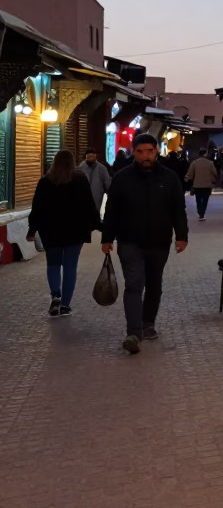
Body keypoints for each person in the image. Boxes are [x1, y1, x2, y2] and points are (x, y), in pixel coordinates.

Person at [101, 133, 188, 355]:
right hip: (129, 241)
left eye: (149, 151)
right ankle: (134, 332)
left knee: (154, 284)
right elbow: (112, 210)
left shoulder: (170, 178)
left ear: (157, 150)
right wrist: (107, 237)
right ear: (134, 152)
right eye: (140, 152)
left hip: (159, 242)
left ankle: (148, 322)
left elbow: (178, 209)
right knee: (133, 284)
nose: (145, 156)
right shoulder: (122, 177)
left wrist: (182, 235)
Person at [27, 150, 100, 317]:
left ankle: (55, 295)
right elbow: (90, 205)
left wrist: (32, 229)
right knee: (70, 266)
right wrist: (99, 225)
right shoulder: (80, 179)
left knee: (53, 264)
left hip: (51, 231)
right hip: (75, 231)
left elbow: (37, 208)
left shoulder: (45, 181)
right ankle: (66, 305)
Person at [185, 148, 220, 221]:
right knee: (205, 200)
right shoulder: (210, 163)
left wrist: (189, 180)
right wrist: (213, 180)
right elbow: (215, 173)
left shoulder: (194, 163)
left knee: (198, 199)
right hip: (207, 185)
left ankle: (199, 211)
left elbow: (190, 174)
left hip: (197, 185)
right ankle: (202, 213)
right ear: (205, 154)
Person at [78, 148, 112, 219]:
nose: (90, 158)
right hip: (82, 197)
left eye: (92, 157)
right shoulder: (81, 168)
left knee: (95, 215)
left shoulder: (102, 168)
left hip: (97, 197)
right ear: (86, 157)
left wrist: (109, 193)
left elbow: (107, 183)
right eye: (89, 157)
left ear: (95, 156)